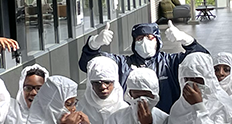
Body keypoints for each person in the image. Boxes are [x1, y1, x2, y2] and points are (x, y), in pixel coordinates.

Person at [79, 22, 210, 113]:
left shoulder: (171, 62)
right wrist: (94, 43)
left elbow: (203, 61)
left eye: (149, 37)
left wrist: (187, 40)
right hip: (131, 121)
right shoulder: (122, 64)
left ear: (158, 40)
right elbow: (89, 65)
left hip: (167, 119)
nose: (144, 42)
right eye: (140, 38)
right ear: (134, 43)